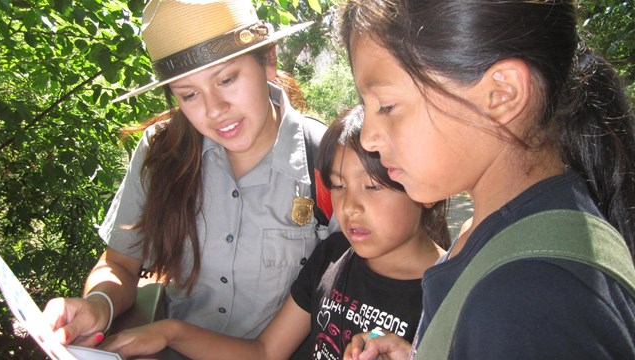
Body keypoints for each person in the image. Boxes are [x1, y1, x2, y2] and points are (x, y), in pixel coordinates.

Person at [339, 0, 635, 359]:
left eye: (386, 106)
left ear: (502, 94)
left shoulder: (527, 301)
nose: (369, 137)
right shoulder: (493, 232)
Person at [42, 0, 336, 349]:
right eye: (189, 94)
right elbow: (121, 262)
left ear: (268, 59)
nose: (214, 109)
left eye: (227, 79)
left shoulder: (326, 159)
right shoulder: (163, 152)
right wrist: (99, 305)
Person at [96, 105, 452, 359]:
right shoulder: (333, 256)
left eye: (372, 187)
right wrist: (168, 333)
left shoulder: (450, 294)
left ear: (422, 186)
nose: (349, 207)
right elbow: (265, 351)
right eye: (338, 186)